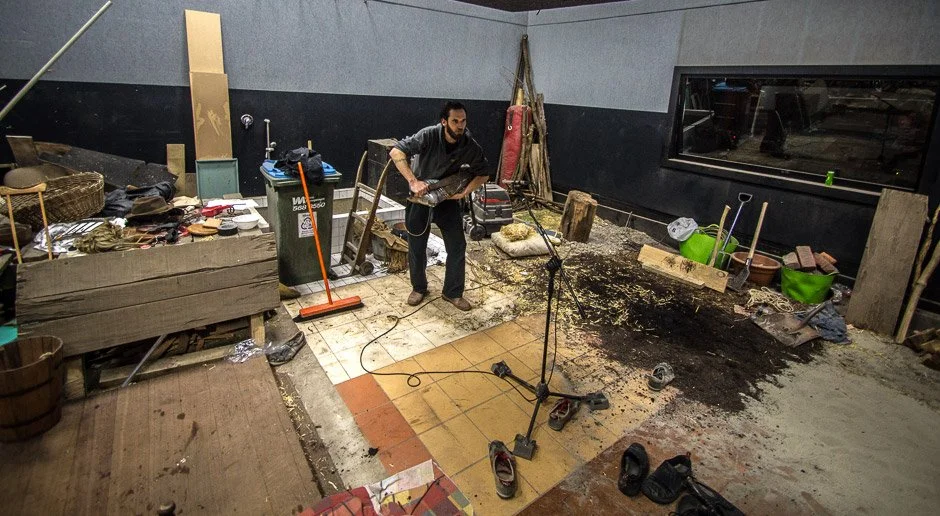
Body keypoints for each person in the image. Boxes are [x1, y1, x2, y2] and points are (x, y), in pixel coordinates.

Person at [389, 101, 490, 311]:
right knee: (416, 246)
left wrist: (464, 191)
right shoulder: (428, 135)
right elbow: (396, 153)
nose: (460, 126)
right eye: (455, 121)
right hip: (420, 199)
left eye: (463, 121)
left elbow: (484, 173)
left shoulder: (469, 144)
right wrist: (413, 181)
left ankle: (452, 292)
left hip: (447, 200)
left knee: (457, 245)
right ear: (444, 121)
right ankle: (419, 288)